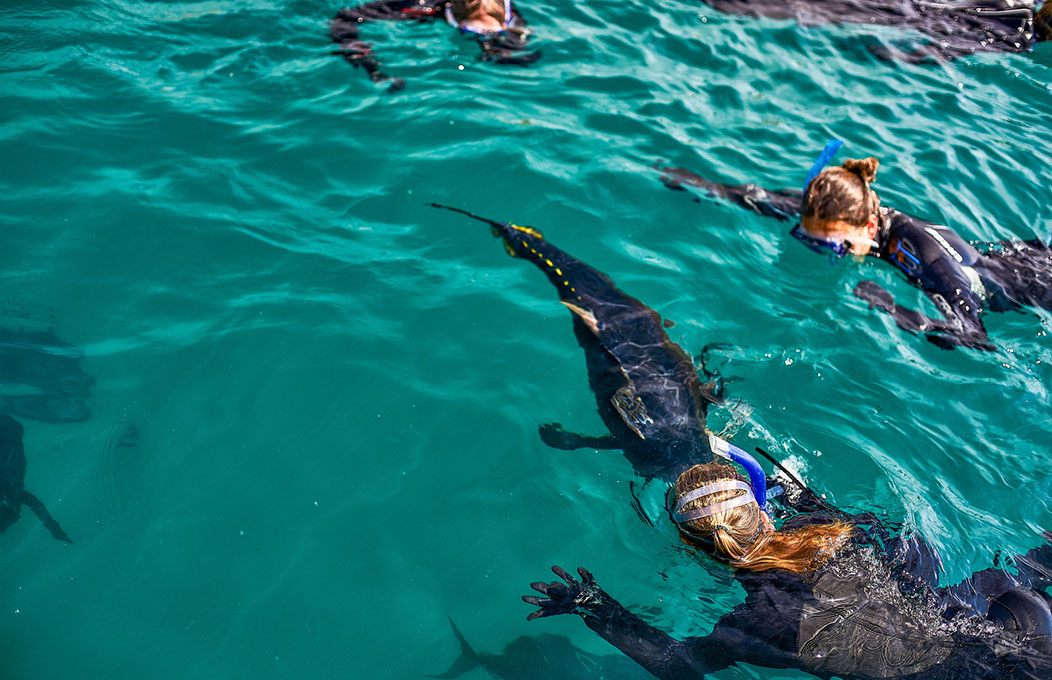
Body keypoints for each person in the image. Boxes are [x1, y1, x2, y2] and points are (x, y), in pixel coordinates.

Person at [522, 458, 1052, 679]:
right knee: (1003, 584)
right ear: (763, 510)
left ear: (691, 548)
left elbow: (677, 664)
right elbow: (917, 554)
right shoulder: (848, 529)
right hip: (1010, 628)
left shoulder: (749, 627)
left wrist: (596, 605)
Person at [429, 203, 726, 483]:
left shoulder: (695, 443)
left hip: (641, 338)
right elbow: (633, 437)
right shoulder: (663, 456)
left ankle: (522, 239)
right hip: (613, 345)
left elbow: (642, 433)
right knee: (576, 289)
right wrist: (575, 442)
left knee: (581, 285)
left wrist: (577, 441)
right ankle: (519, 238)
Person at [661, 152, 1052, 350]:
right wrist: (694, 183)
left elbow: (975, 337)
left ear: (868, 227)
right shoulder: (830, 210)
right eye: (810, 239)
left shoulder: (924, 255)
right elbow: (756, 197)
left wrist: (892, 308)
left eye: (835, 246)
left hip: (1031, 286)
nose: (826, 252)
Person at [698, 0, 1051, 61]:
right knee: (821, 12)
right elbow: (949, 47)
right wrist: (897, 58)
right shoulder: (1017, 40)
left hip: (914, 4)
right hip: (910, 19)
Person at [330, 0, 538, 89]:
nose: (483, 39)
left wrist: (503, 51)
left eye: (492, 32)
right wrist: (364, 59)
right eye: (471, 32)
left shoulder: (511, 15)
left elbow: (521, 51)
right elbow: (345, 17)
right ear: (453, 19)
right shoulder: (421, 7)